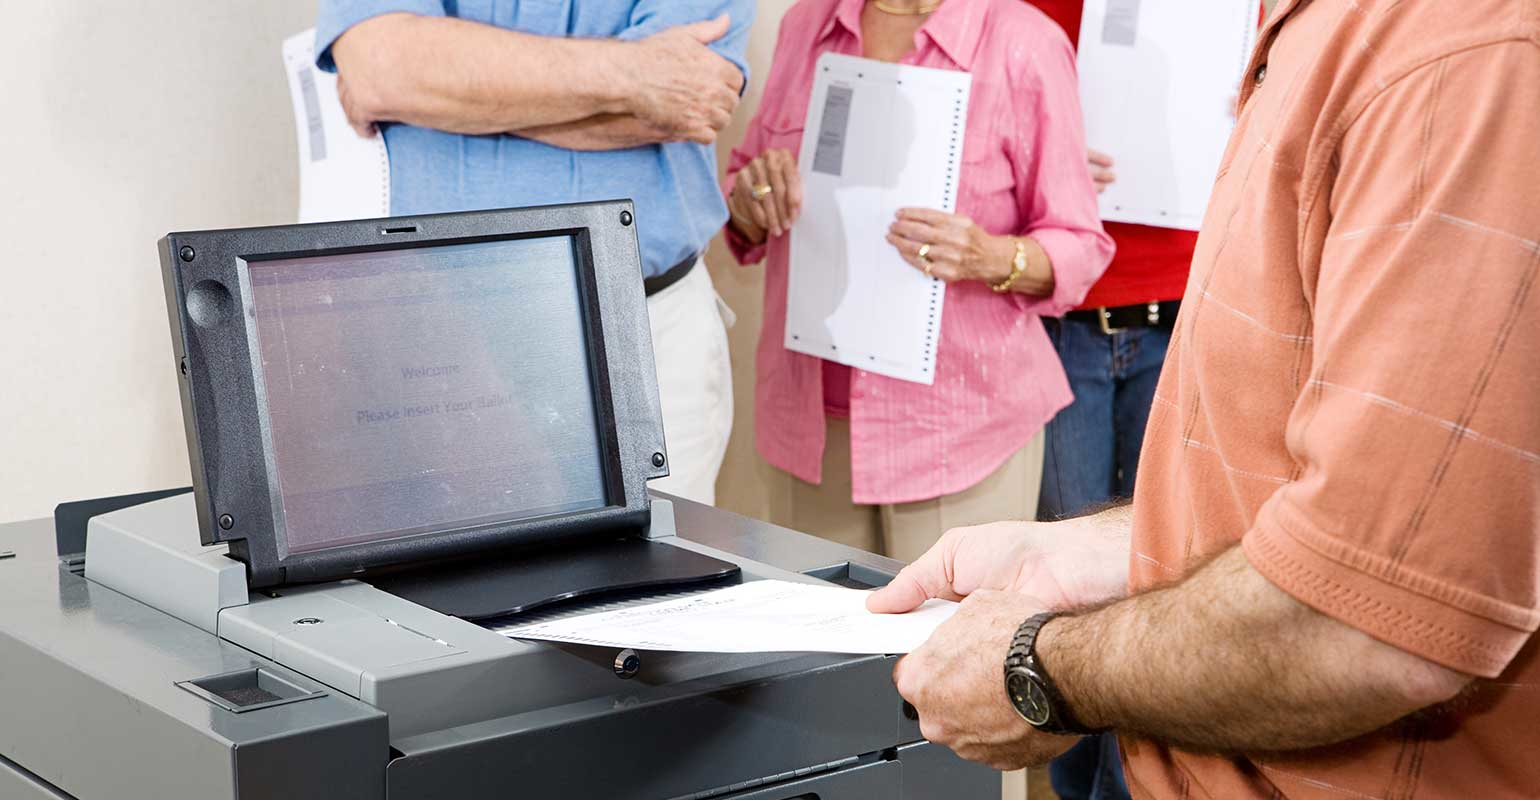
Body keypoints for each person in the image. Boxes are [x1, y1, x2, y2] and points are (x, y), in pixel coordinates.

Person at [866, 0, 1540, 797]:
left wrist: (1039, 663)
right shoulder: (1324, 31)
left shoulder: (1458, 51)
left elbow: (1372, 624)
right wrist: (1104, 553)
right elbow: (1311, 488)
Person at [315, 0, 755, 505]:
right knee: (453, 575)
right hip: (439, 334)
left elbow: (693, 93)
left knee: (664, 574)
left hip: (645, 328)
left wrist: (441, 97)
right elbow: (382, 70)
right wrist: (637, 75)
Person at [722, 0, 1113, 567]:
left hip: (959, 429)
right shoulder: (806, 23)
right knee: (816, 646)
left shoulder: (1024, 41)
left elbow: (1079, 242)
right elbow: (745, 189)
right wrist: (753, 197)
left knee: (949, 647)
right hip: (809, 425)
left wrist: (989, 255)